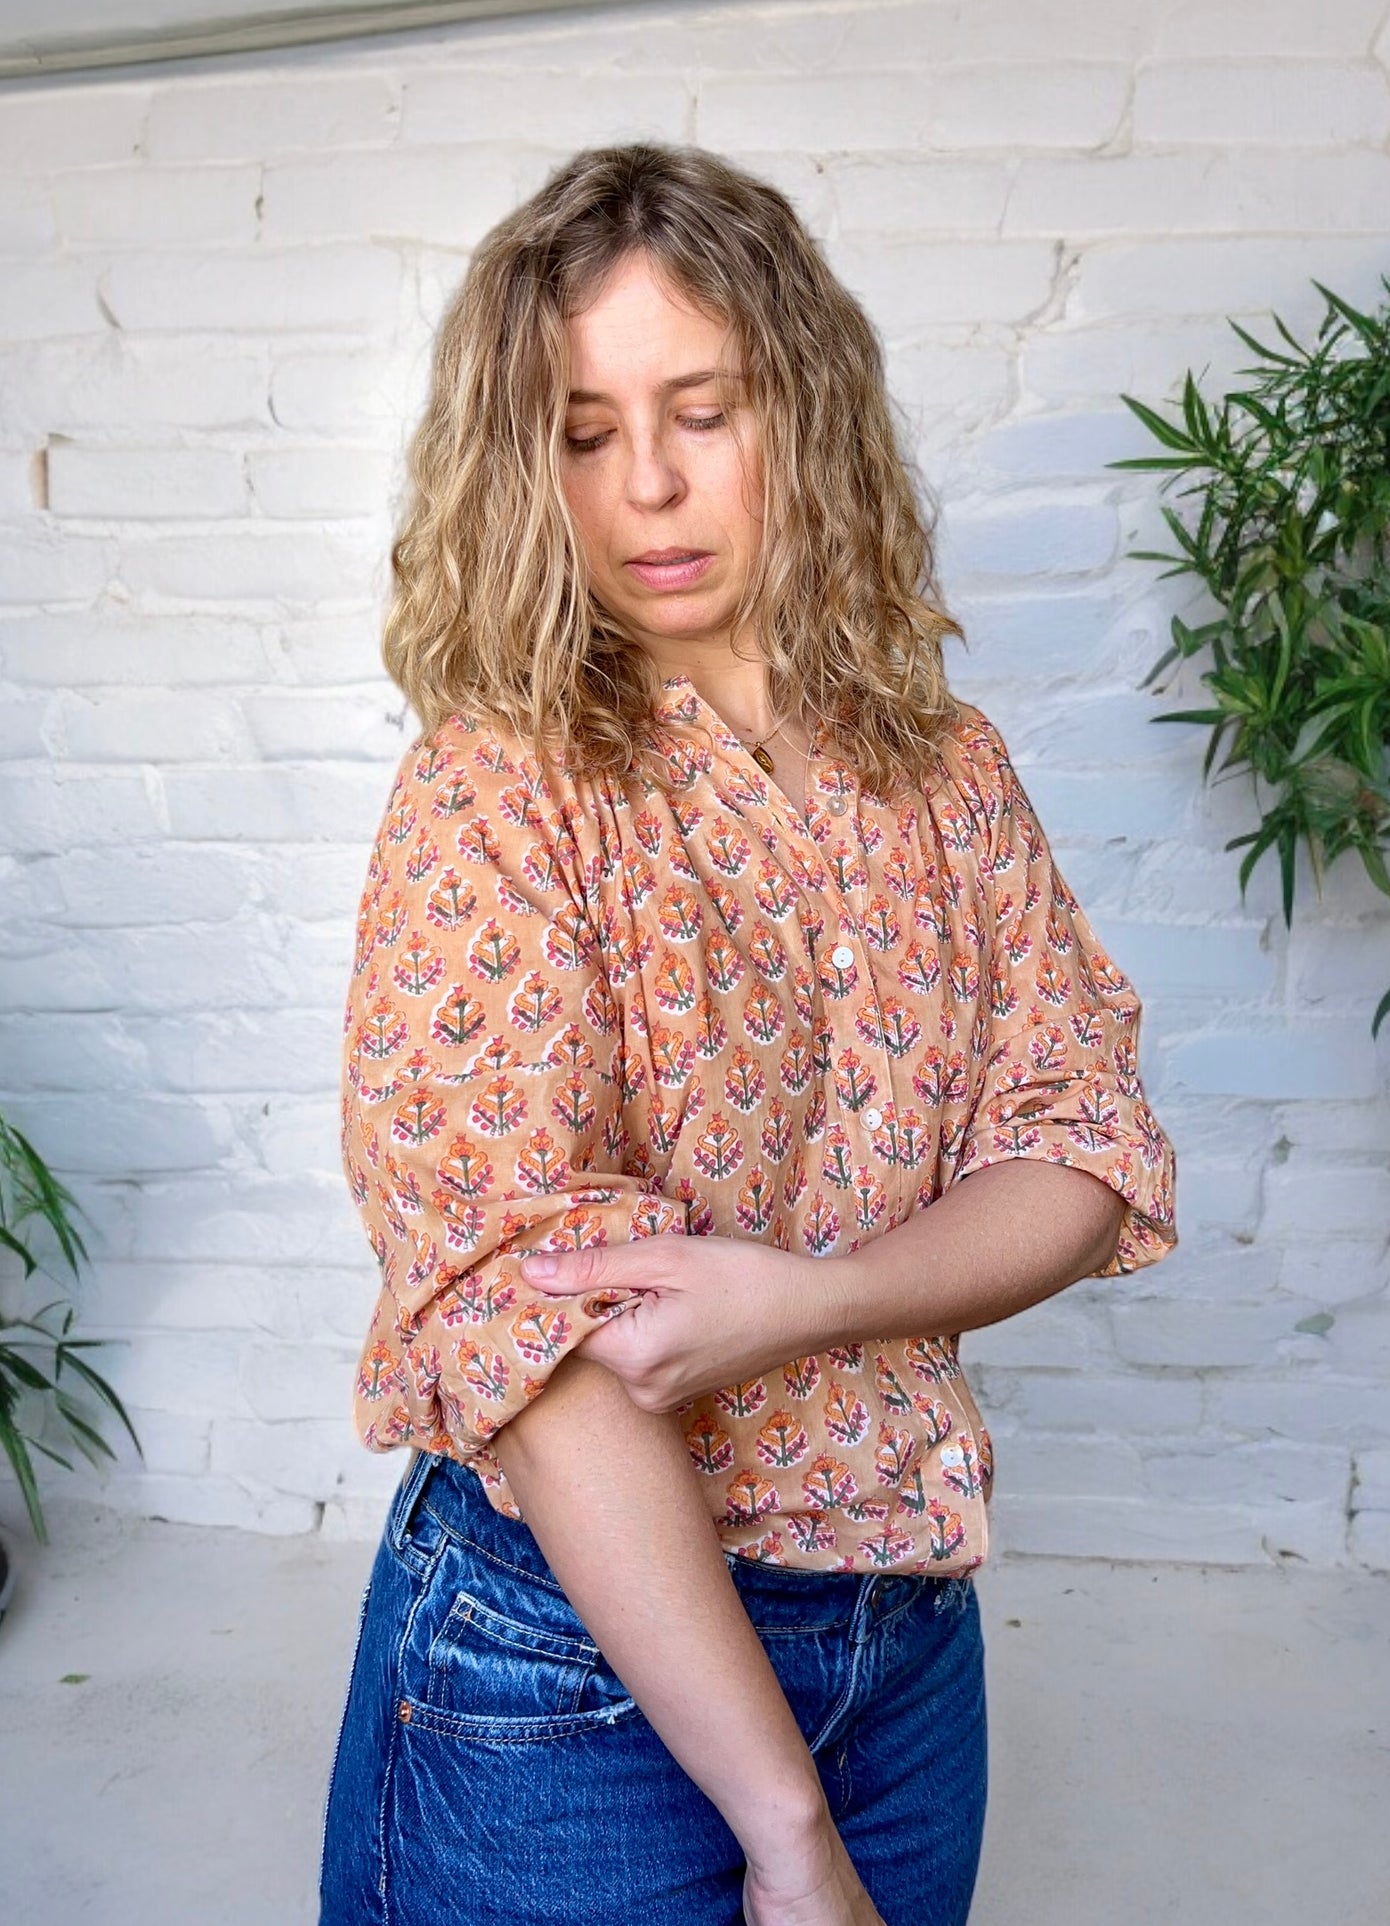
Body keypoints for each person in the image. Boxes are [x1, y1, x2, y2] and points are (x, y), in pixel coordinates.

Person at [318, 142, 1177, 1926]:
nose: (647, 484)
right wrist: (787, 1833)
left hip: (905, 1642)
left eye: (701, 409)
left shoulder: (944, 770)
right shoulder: (497, 795)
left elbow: (1079, 1147)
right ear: (520, 461)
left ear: (803, 410)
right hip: (570, 1665)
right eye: (579, 428)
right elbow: (531, 1345)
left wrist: (808, 1297)